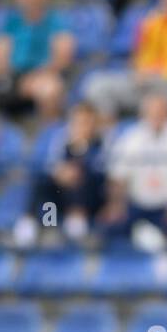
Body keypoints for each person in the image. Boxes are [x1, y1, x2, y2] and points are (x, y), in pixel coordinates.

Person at [102, 92, 167, 251]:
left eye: (161, 111)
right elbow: (118, 176)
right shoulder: (132, 137)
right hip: (137, 205)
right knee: (109, 226)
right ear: (144, 113)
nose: (157, 116)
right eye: (152, 112)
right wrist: (116, 204)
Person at [0, 0, 74, 120]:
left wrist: (33, 77)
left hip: (43, 77)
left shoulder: (58, 21)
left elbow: (62, 58)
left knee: (50, 91)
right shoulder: (9, 23)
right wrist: (14, 79)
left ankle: (47, 135)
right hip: (12, 77)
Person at [17, 102, 105, 247]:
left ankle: (77, 222)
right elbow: (52, 164)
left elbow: (101, 168)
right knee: (44, 183)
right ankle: (41, 223)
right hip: (62, 192)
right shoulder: (61, 140)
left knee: (85, 181)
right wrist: (61, 173)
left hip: (88, 196)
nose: (82, 127)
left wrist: (78, 170)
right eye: (78, 123)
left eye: (86, 123)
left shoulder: (100, 143)